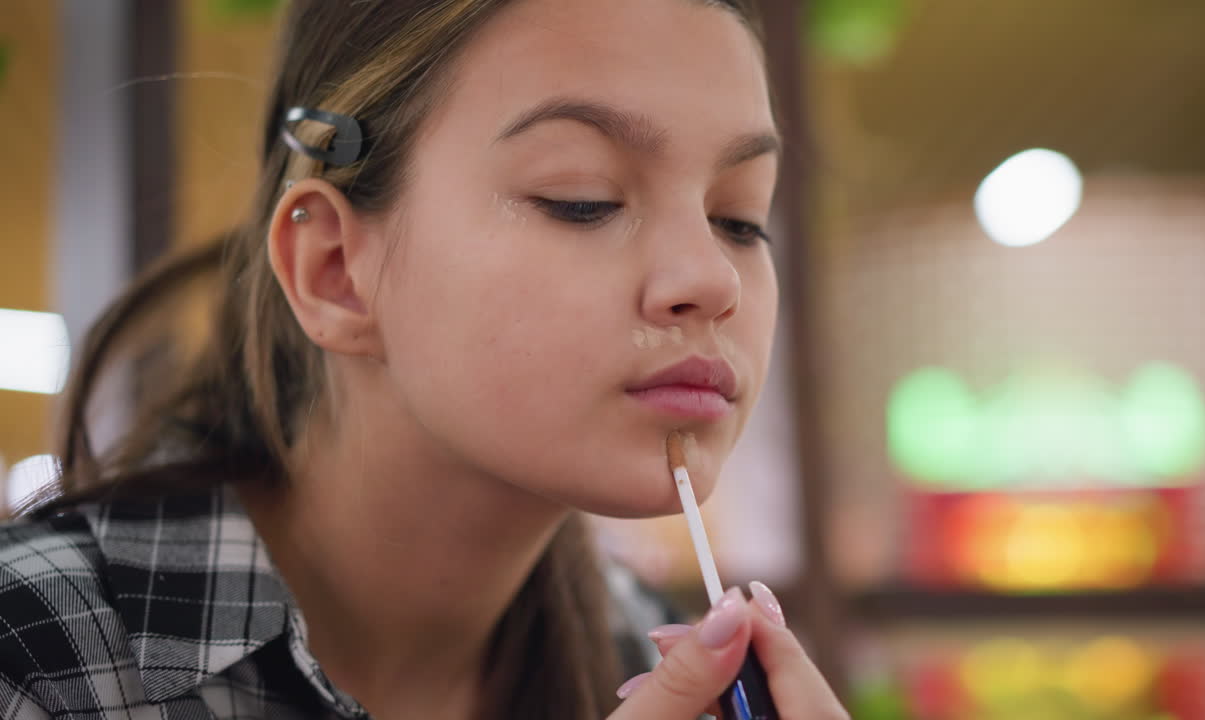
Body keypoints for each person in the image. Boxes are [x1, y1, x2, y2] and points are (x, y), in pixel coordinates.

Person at [0, 0, 848, 718]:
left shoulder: (646, 657)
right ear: (335, 272)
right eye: (581, 199)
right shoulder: (39, 652)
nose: (711, 278)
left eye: (740, 217)